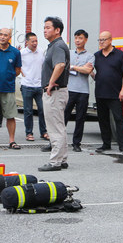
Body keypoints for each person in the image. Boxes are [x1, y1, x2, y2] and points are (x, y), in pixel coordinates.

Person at [39, 17, 70, 171]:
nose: (45, 30)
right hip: (59, 92)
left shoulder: (58, 46)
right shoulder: (55, 45)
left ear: (57, 30)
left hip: (55, 92)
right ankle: (62, 159)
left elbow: (60, 65)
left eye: (48, 27)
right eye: (44, 27)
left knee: (54, 128)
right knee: (59, 127)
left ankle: (55, 161)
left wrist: (50, 83)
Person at [92, 30, 123, 154]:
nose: (101, 42)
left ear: (110, 40)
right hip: (100, 93)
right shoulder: (97, 55)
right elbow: (93, 71)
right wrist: (92, 74)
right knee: (103, 120)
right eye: (100, 40)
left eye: (103, 40)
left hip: (114, 93)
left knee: (118, 119)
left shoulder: (119, 55)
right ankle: (106, 144)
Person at [67, 29, 95, 152]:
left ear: (86, 40)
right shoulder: (68, 53)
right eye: (76, 38)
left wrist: (73, 67)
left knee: (80, 118)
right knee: (63, 117)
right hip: (69, 89)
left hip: (83, 91)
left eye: (81, 38)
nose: (78, 40)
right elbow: (64, 67)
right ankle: (56, 142)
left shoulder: (90, 56)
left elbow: (88, 71)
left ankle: (76, 143)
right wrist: (81, 68)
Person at [20, 31, 47, 142]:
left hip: (39, 85)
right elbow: (17, 65)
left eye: (36, 41)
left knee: (42, 109)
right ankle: (29, 133)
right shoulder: (22, 53)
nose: (35, 43)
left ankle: (44, 132)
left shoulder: (41, 52)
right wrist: (22, 72)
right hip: (27, 85)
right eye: (32, 41)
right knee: (28, 111)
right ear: (27, 42)